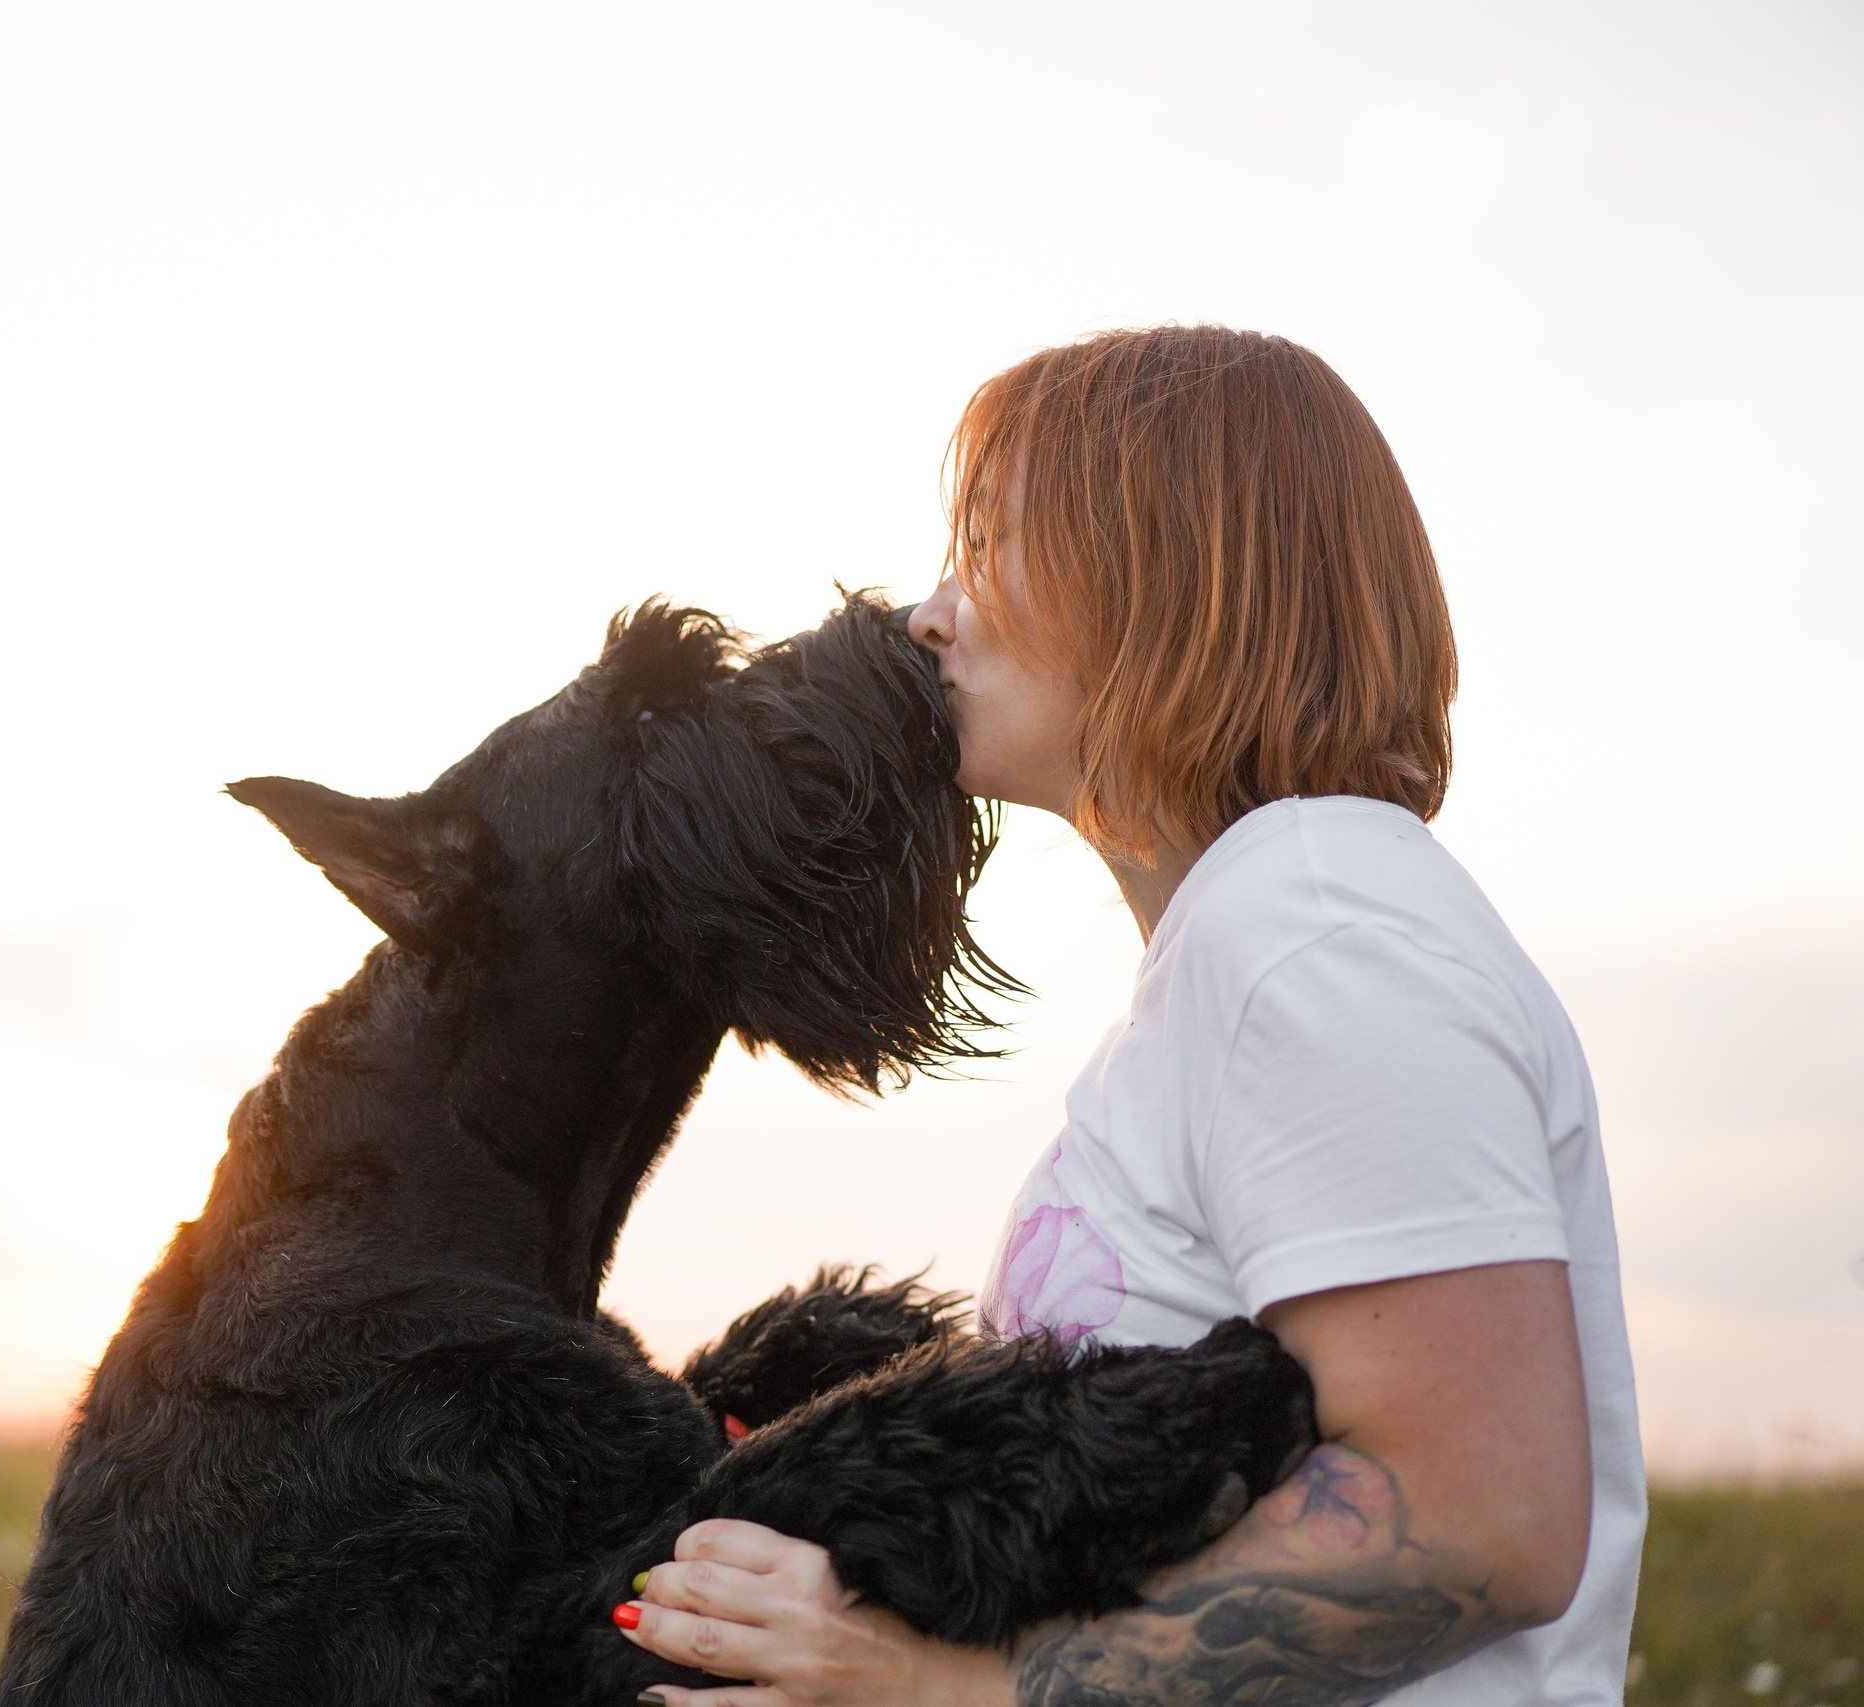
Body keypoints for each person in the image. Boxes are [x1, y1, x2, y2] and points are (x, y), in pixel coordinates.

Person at [612, 325, 1645, 1706]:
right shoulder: (1245, 947)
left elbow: (1481, 1521)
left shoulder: (1314, 931)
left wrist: (929, 1688)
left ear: (1165, 567)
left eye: (983, 543)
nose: (928, 615)